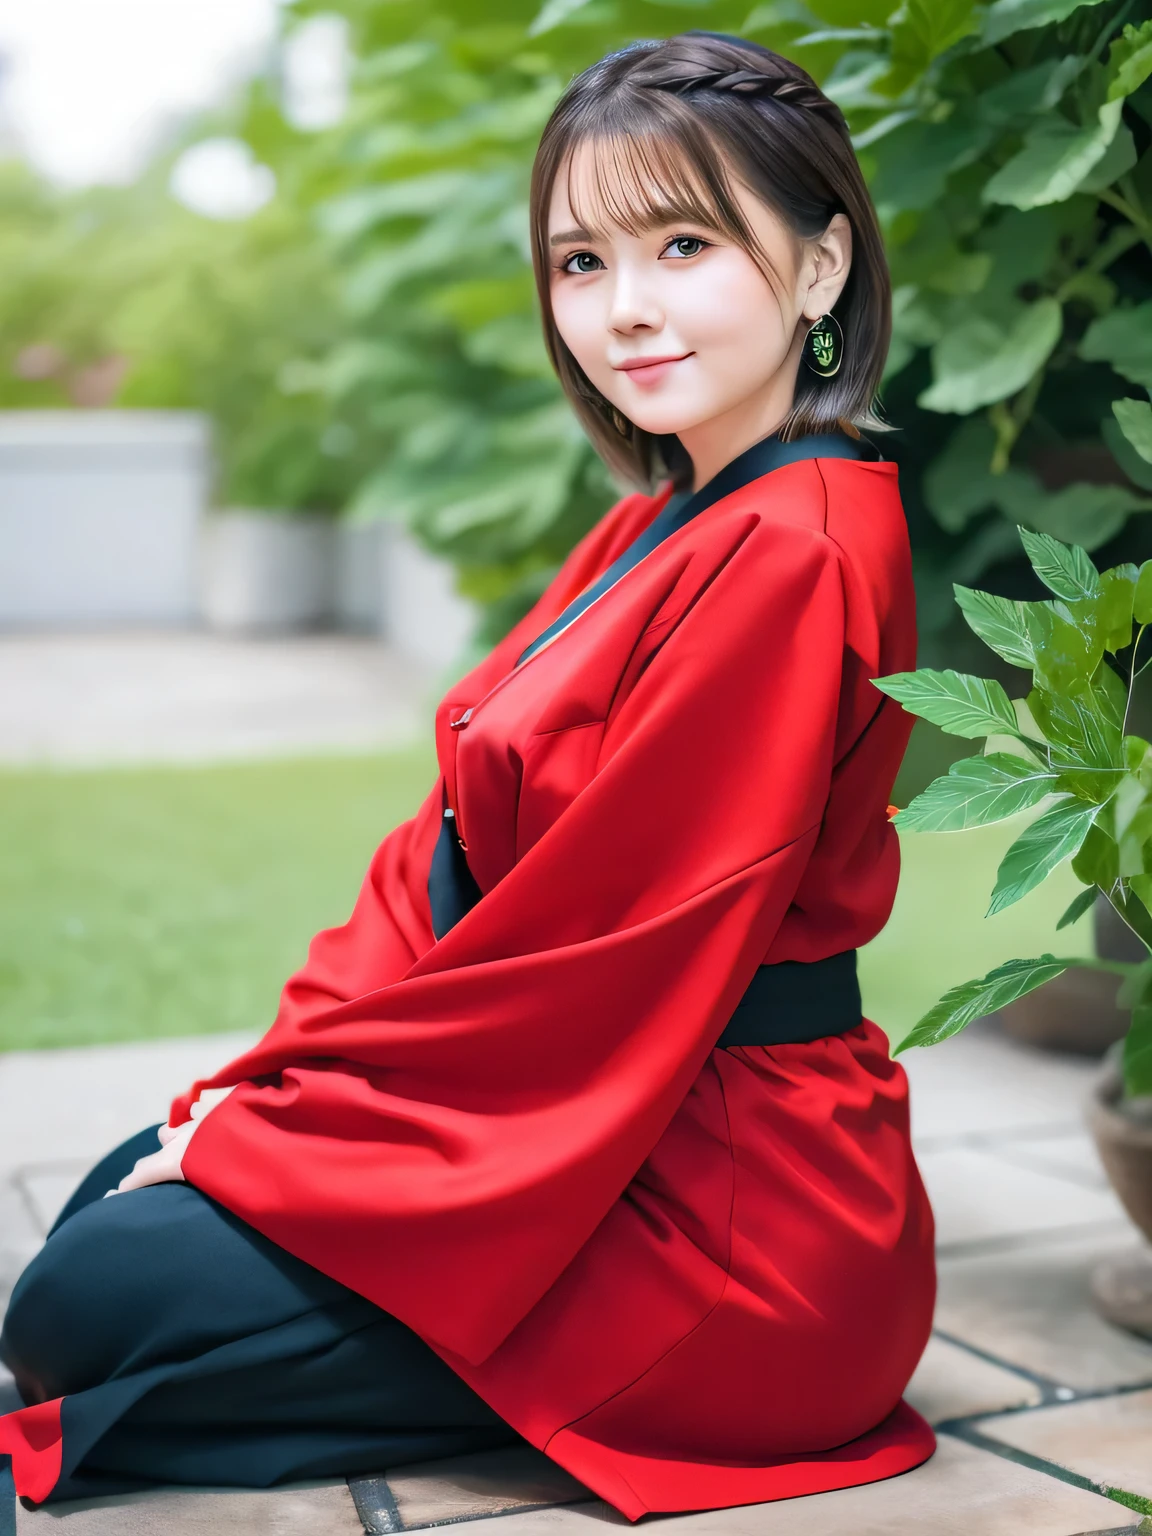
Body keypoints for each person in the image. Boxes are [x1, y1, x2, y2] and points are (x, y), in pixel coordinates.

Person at [0, 30, 936, 1521]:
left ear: (820, 268)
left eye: (683, 243)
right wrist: (276, 1084)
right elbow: (437, 851)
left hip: (730, 1221)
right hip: (596, 1118)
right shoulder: (670, 516)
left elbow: (608, 957)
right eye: (579, 262)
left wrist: (278, 1139)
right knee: (126, 1196)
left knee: (87, 1301)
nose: (622, 310)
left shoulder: (796, 550)